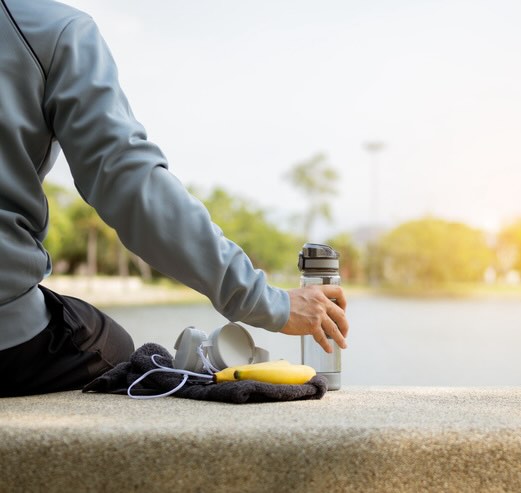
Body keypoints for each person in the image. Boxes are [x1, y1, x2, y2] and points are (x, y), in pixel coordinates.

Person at [0, 0, 349, 397]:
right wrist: (270, 303)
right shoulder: (50, 29)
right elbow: (130, 185)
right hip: (8, 339)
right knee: (110, 345)